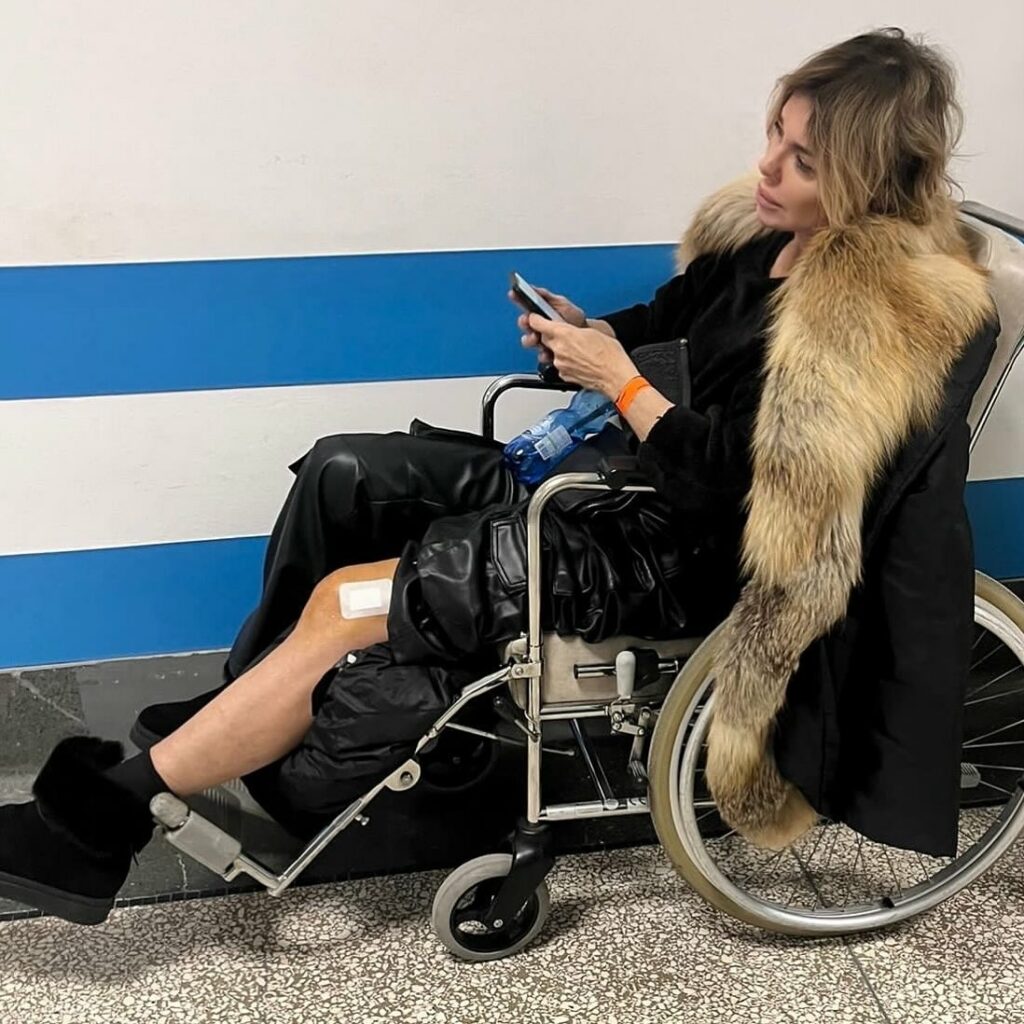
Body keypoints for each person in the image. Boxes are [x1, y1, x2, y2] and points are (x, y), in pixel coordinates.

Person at [0, 26, 998, 925]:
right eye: (774, 133)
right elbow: (666, 330)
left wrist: (620, 385)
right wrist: (589, 339)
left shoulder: (871, 311)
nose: (767, 166)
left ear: (867, 181)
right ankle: (249, 706)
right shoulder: (763, 243)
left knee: (351, 602)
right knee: (347, 472)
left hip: (677, 551)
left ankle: (104, 825)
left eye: (803, 161)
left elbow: (751, 499)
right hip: (618, 488)